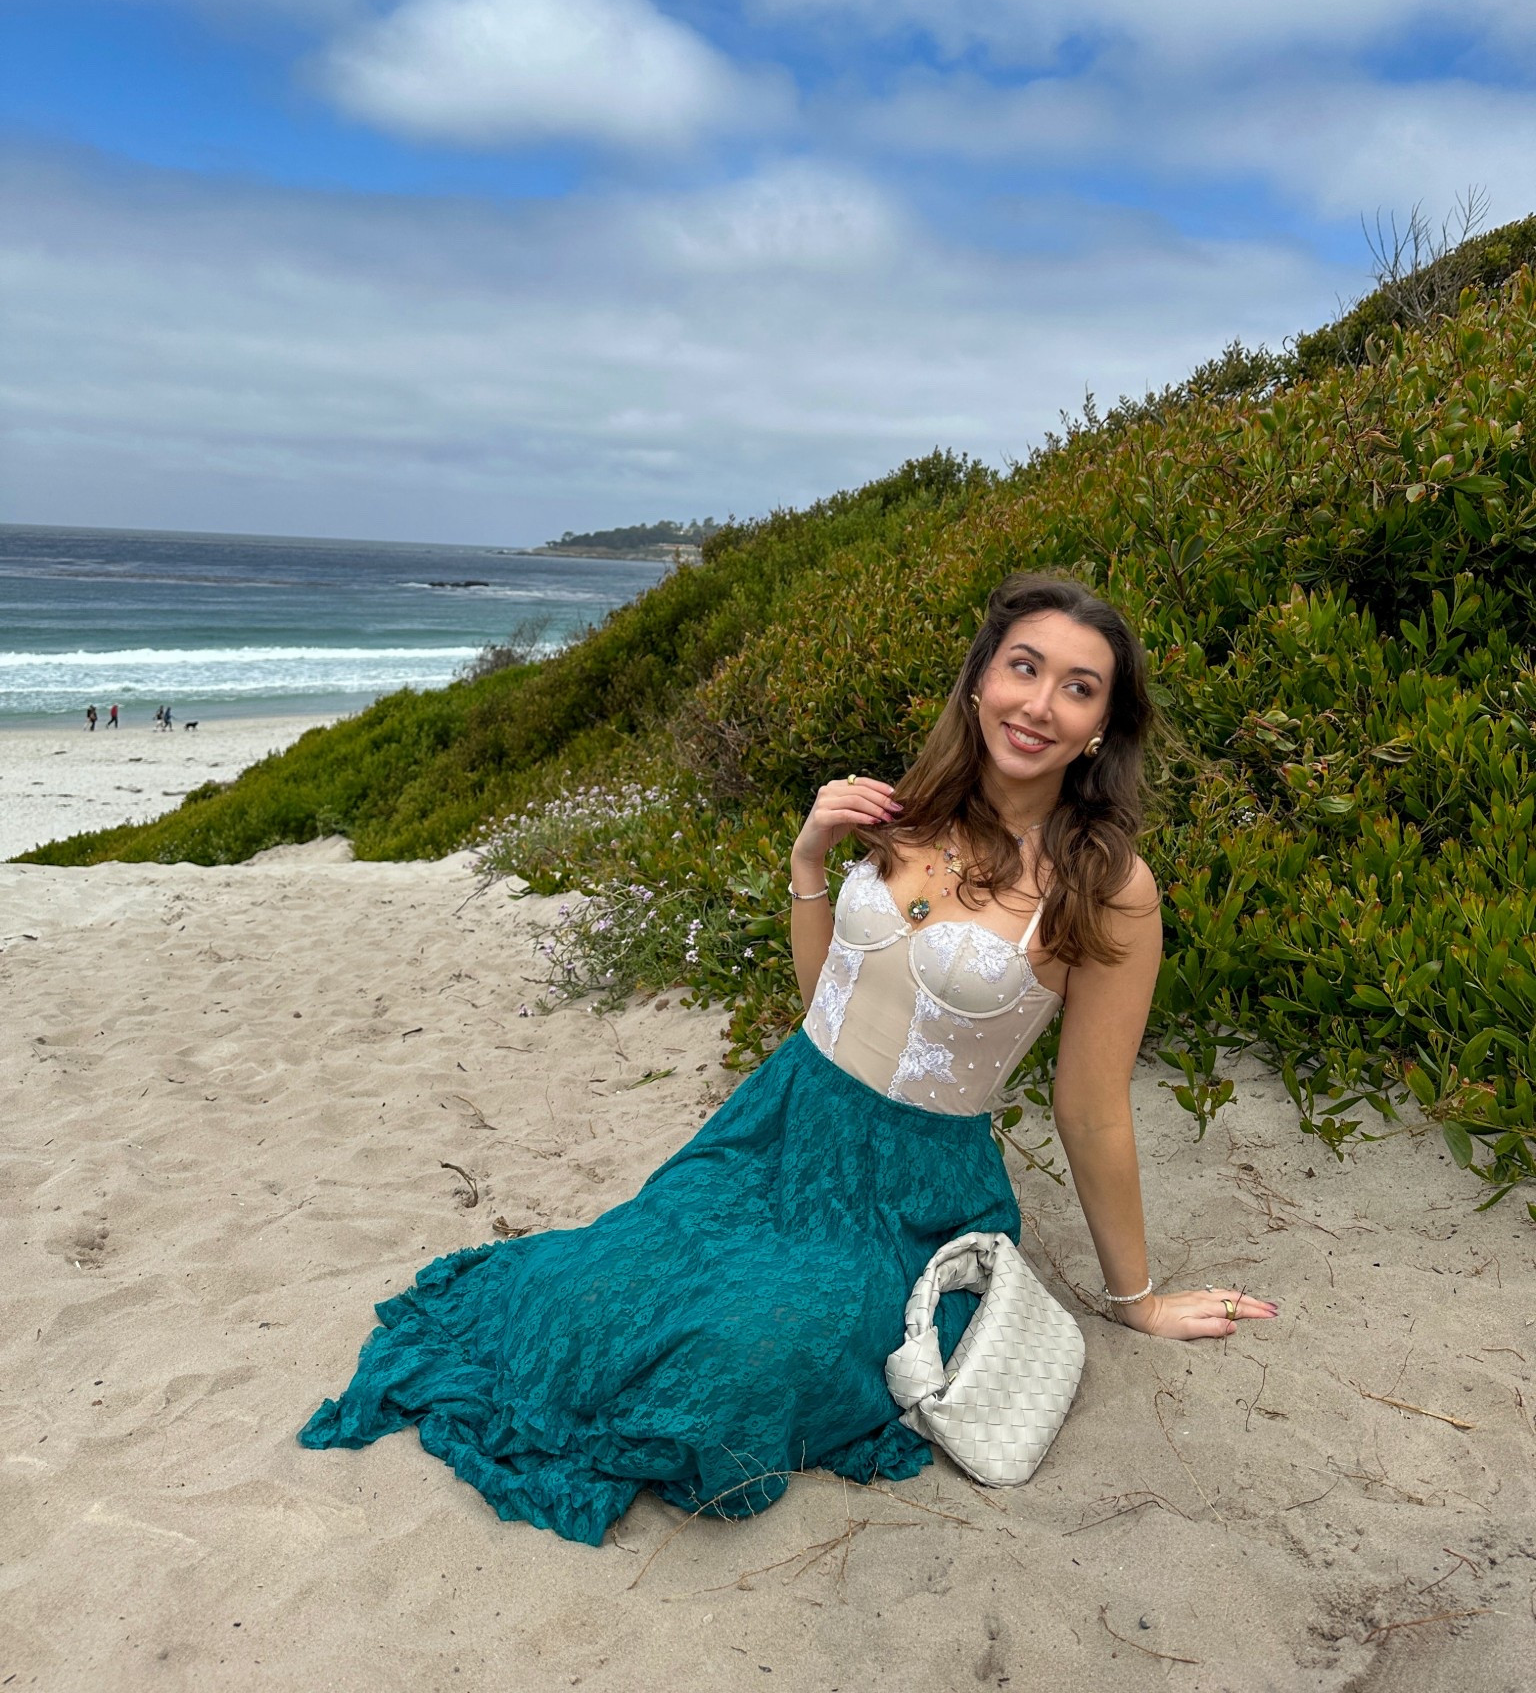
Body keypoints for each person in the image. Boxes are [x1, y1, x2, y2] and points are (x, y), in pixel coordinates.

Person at [299, 574, 1277, 1545]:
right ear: (981, 679)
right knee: (602, 1289)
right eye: (1024, 667)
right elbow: (830, 1000)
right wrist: (810, 859)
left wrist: (1135, 1298)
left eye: (1078, 685)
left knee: (740, 1362)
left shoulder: (1108, 885)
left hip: (909, 1188)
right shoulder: (905, 811)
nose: (1040, 702)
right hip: (777, 1121)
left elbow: (1093, 1103)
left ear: (1103, 725)